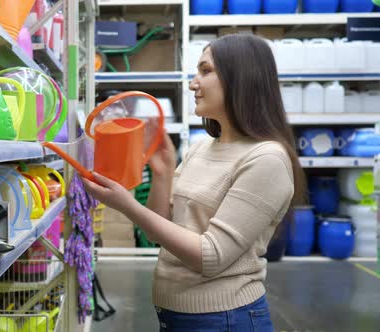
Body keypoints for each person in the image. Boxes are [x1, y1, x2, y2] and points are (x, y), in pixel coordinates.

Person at [82, 34, 306, 332]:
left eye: (206, 71)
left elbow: (210, 257)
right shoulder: (202, 147)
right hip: (175, 314)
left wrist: (127, 205)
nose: (192, 84)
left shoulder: (266, 159)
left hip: (225, 319)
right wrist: (163, 173)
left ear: (242, 77)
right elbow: (162, 231)